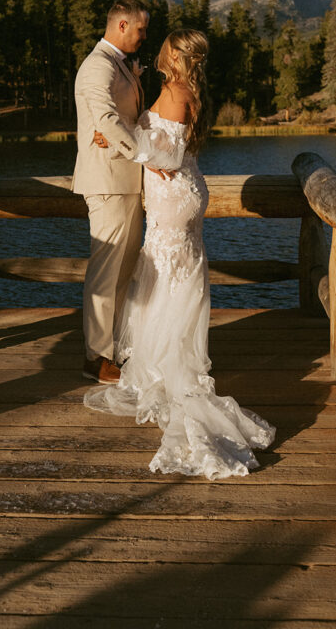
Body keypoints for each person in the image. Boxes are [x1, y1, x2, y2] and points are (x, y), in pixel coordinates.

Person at [84, 29, 276, 480]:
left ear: (174, 55)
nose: (156, 50)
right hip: (185, 194)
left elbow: (166, 157)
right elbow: (169, 148)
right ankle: (165, 367)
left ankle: (170, 375)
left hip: (173, 196)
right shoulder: (185, 89)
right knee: (175, 280)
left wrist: (118, 142)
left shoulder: (173, 90)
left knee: (167, 284)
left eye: (164, 46)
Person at [73, 0, 171, 386]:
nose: (146, 36)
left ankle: (113, 349)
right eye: (142, 29)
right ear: (122, 26)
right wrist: (144, 155)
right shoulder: (97, 66)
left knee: (123, 272)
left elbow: (119, 121)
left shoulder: (119, 65)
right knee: (104, 272)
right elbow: (107, 120)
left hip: (125, 181)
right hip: (107, 182)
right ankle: (95, 357)